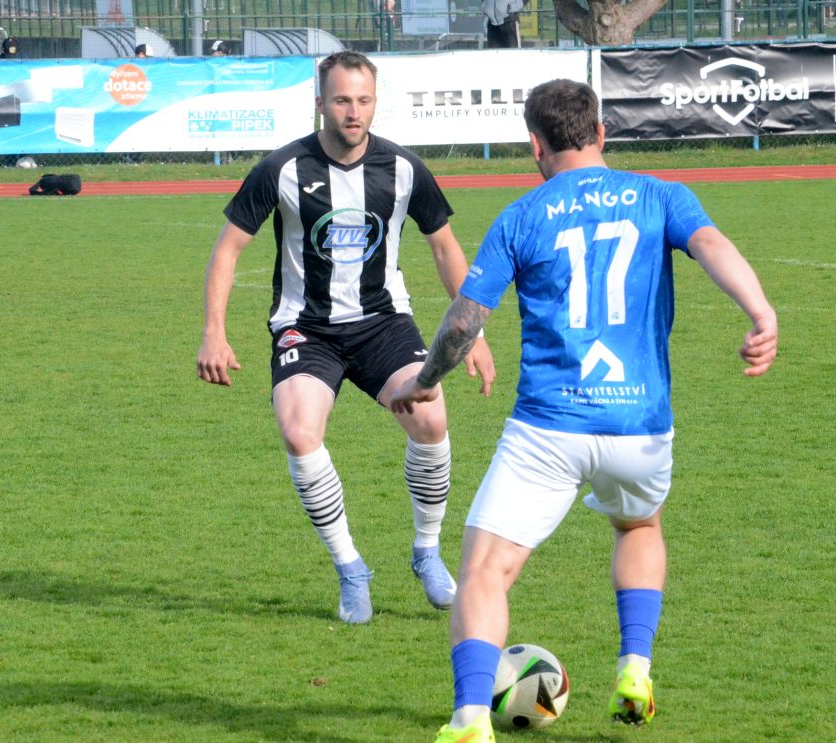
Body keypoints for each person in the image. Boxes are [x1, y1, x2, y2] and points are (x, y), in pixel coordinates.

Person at [389, 78, 778, 742]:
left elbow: (464, 320)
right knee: (638, 526)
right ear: (601, 133)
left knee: (485, 570)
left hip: (548, 427)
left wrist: (427, 379)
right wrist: (760, 311)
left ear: (534, 145)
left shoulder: (522, 215)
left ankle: (471, 717)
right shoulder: (662, 195)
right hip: (640, 427)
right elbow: (712, 245)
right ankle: (635, 669)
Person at [196, 50, 496, 625]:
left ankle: (426, 551)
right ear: (320, 104)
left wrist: (472, 333)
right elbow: (228, 249)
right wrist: (214, 332)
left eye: (363, 100)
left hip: (383, 323)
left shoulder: (404, 169)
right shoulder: (281, 168)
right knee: (299, 431)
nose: (353, 112)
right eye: (341, 100)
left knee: (431, 419)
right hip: (305, 328)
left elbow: (444, 248)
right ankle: (350, 567)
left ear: (375, 103)